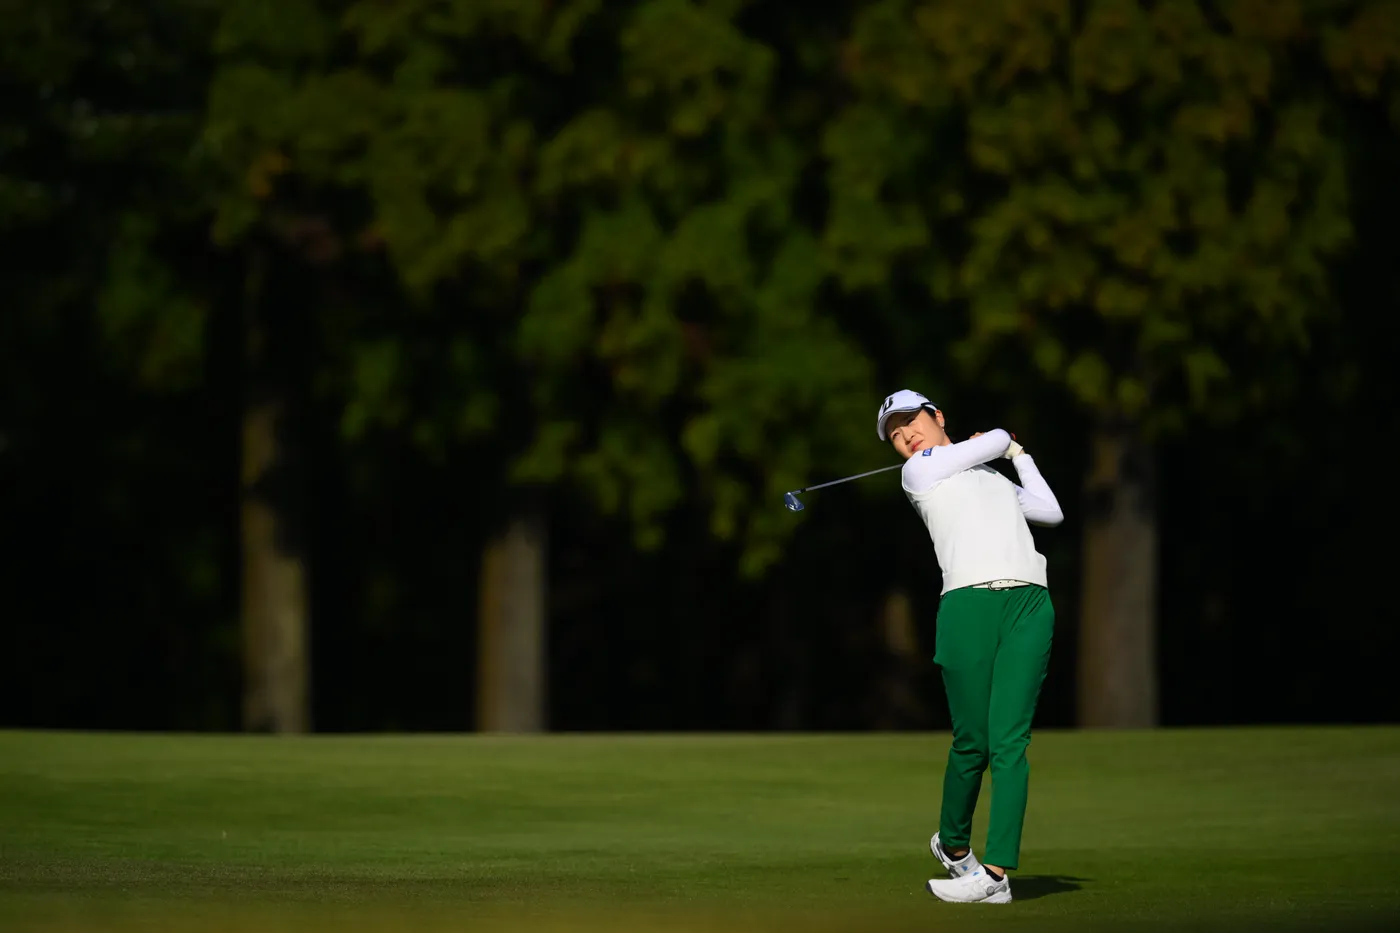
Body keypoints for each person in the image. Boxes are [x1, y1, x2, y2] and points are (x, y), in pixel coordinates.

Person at [875, 389, 1064, 905]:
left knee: (1010, 743)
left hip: (1029, 603)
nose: (905, 436)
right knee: (972, 742)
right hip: (967, 605)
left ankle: (996, 874)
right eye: (895, 434)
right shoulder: (919, 472)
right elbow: (998, 437)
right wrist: (1002, 442)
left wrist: (1019, 457)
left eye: (911, 421)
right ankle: (955, 844)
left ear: (937, 416)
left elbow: (1050, 511)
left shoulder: (991, 477)